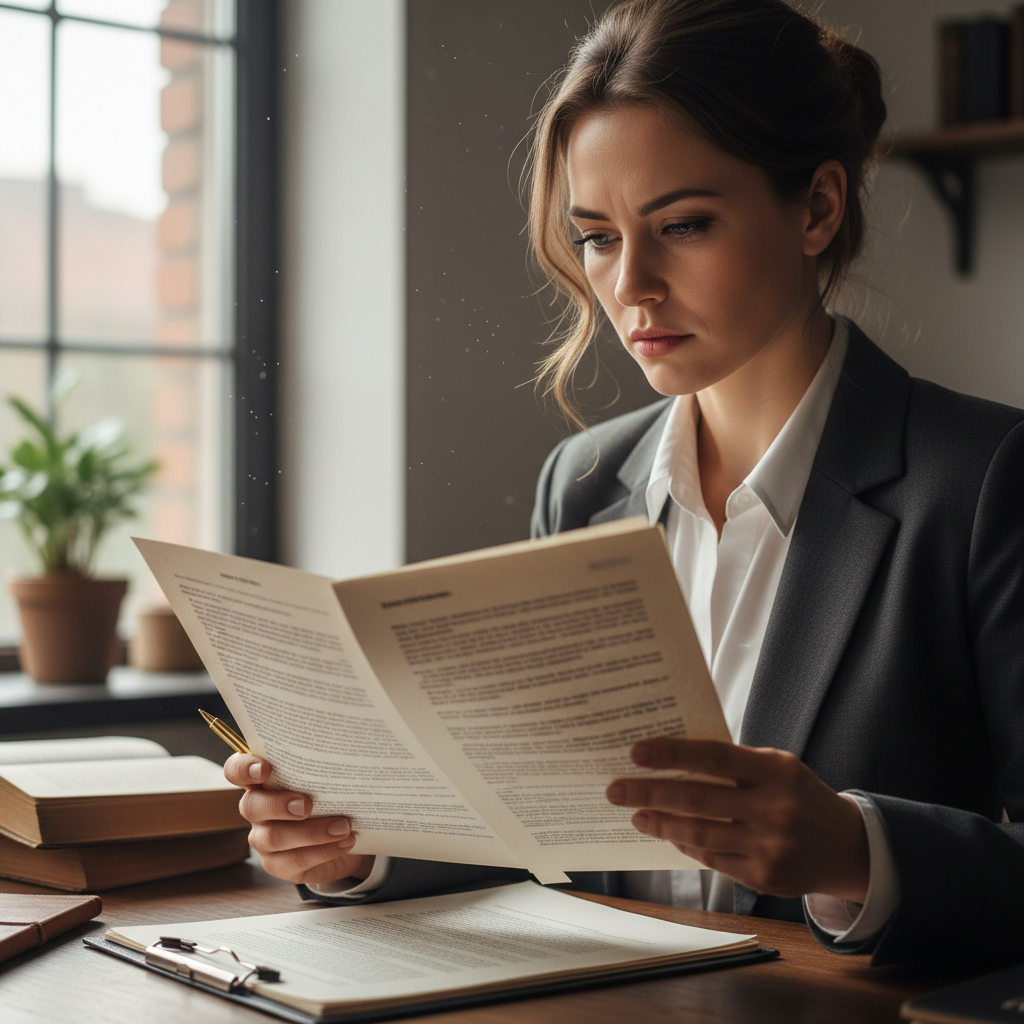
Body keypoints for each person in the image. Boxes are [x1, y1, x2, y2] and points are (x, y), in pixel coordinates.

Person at [224, 0, 1024, 967]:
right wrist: (358, 847)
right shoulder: (582, 482)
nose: (632, 284)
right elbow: (540, 826)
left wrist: (861, 852)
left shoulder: (985, 480)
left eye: (683, 224)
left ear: (818, 207)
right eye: (598, 237)